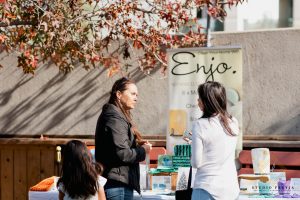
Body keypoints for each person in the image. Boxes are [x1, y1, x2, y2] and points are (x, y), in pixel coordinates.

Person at [95, 77, 152, 200]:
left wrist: (136, 145)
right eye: (132, 94)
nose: (136, 98)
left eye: (137, 95)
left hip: (119, 182)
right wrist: (143, 150)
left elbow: (118, 147)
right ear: (119, 94)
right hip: (117, 184)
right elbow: (123, 153)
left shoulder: (116, 116)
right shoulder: (114, 117)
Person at [191, 81, 240, 200]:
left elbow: (196, 162)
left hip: (207, 188)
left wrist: (193, 146)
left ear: (208, 101)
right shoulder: (233, 122)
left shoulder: (200, 125)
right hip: (231, 189)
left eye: (200, 98)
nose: (198, 101)